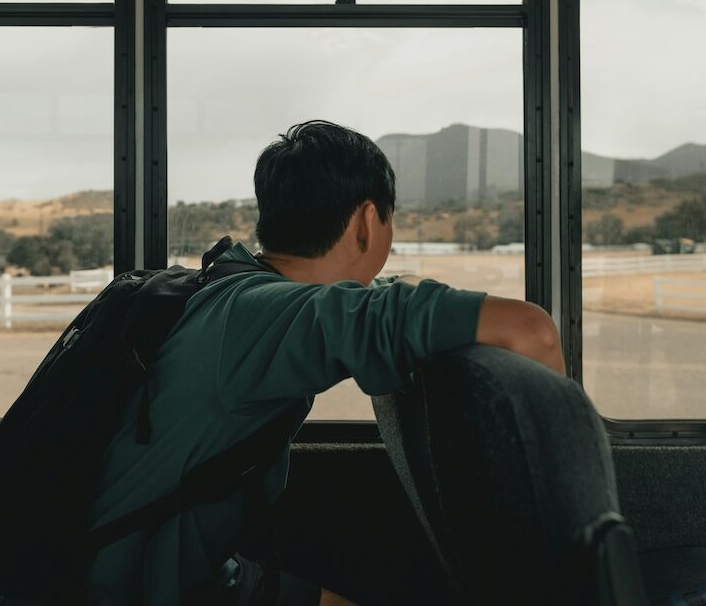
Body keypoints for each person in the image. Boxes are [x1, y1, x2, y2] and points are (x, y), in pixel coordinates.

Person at [86, 120, 564, 605]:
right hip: (129, 588)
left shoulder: (232, 292)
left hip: (156, 566)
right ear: (367, 221)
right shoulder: (276, 316)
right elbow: (532, 331)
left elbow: (366, 300)